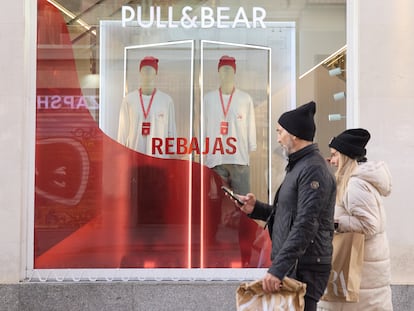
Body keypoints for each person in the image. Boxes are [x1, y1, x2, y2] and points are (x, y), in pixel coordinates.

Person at [233, 101, 337, 311]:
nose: (278, 138)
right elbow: (289, 215)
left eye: (280, 132)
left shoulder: (312, 169)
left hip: (304, 267)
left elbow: (306, 223)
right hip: (296, 264)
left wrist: (278, 269)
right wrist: (257, 209)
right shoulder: (299, 165)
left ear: (295, 135)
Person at [318, 128, 393, 311]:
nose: (332, 161)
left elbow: (369, 225)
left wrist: (335, 223)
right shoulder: (357, 181)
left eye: (335, 155)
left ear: (345, 156)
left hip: (362, 277)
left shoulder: (356, 184)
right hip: (366, 275)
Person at [203, 55, 257, 267]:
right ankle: (210, 240)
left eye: (229, 69)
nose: (226, 73)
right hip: (216, 157)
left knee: (244, 203)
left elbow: (250, 126)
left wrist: (250, 146)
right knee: (213, 202)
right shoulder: (208, 99)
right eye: (222, 69)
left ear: (234, 73)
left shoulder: (244, 99)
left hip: (239, 159)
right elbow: (203, 126)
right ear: (218, 72)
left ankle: (245, 242)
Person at [117, 56, 176, 158]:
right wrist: (120, 154)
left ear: (156, 73)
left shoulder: (166, 101)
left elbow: (171, 130)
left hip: (159, 157)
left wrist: (172, 152)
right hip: (135, 157)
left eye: (151, 70)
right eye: (144, 71)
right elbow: (123, 130)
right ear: (140, 73)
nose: (147, 74)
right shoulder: (129, 100)